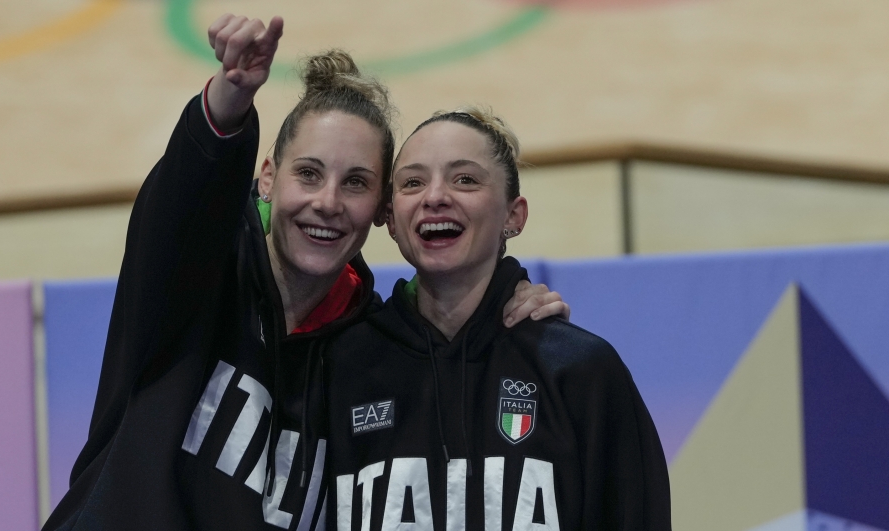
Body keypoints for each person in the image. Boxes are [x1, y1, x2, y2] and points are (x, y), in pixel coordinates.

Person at [43, 14, 569, 531]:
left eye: (356, 183)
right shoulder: (196, 274)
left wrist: (509, 307)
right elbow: (184, 201)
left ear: (382, 209)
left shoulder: (372, 351)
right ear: (269, 177)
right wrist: (228, 102)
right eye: (309, 173)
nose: (327, 203)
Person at [324, 107, 672, 530]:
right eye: (413, 182)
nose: (434, 196)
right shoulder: (341, 366)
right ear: (391, 219)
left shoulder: (582, 372)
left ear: (514, 215)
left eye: (465, 179)